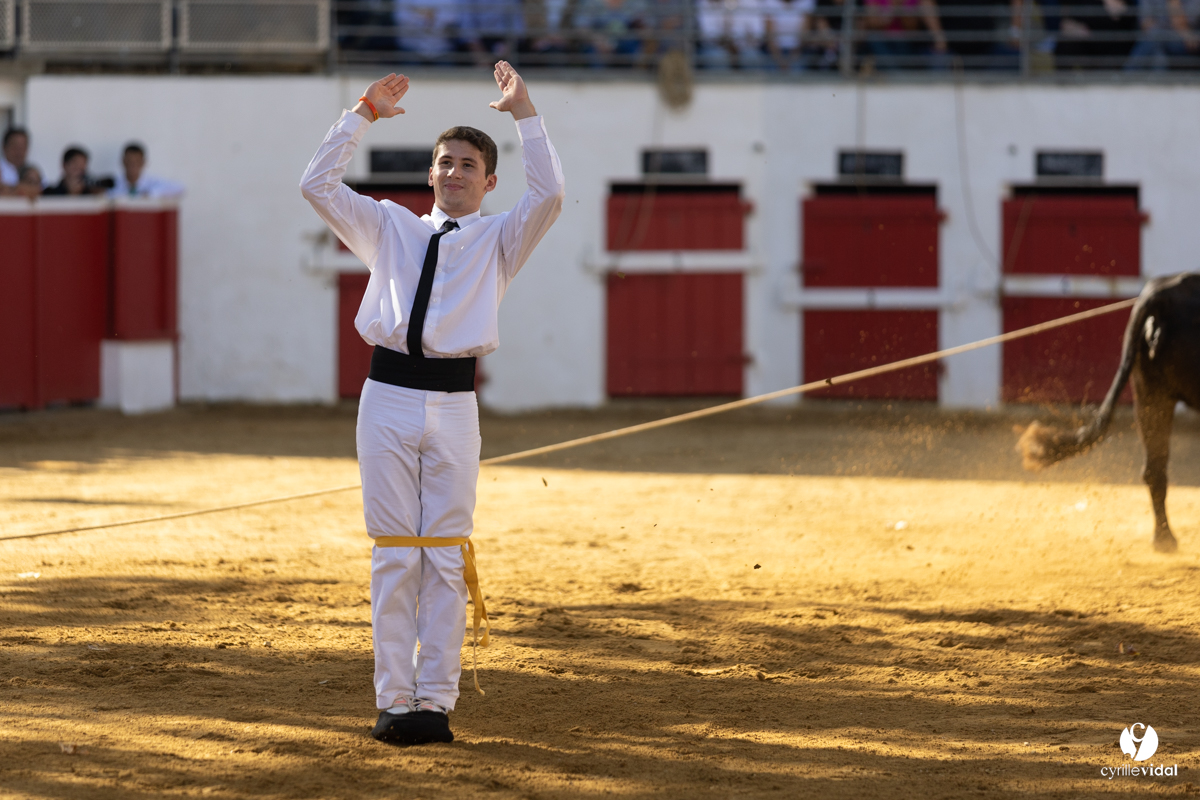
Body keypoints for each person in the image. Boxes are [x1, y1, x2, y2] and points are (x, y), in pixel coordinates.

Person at [300, 62, 565, 747]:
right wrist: (362, 114)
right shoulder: (389, 226)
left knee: (445, 556)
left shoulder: (501, 239)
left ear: (489, 182)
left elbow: (551, 193)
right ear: (430, 173)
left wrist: (525, 113)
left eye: (468, 165)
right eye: (445, 162)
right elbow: (316, 185)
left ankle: (435, 702)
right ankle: (394, 700)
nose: (454, 172)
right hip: (387, 396)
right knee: (395, 554)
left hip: (454, 404)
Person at [1125, 0, 1200, 69]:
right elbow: (1146, 24)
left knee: (1155, 38)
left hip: (1183, 43)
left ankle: (1128, 74)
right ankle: (1159, 78)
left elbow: (1185, 27)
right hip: (1155, 38)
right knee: (1159, 53)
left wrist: (1173, 2)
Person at [109, 142, 185, 198]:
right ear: (123, 161)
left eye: (137, 162)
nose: (132, 165)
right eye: (129, 161)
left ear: (143, 163)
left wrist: (151, 194)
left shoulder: (152, 182)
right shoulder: (113, 182)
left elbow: (180, 188)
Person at [43, 146, 108, 196]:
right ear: (64, 165)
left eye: (82, 168)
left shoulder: (90, 192)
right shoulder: (50, 193)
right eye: (75, 166)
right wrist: (72, 194)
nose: (78, 172)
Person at [1, 127, 29, 195]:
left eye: (22, 147)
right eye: (15, 146)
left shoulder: (32, 171)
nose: (19, 152)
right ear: (4, 147)